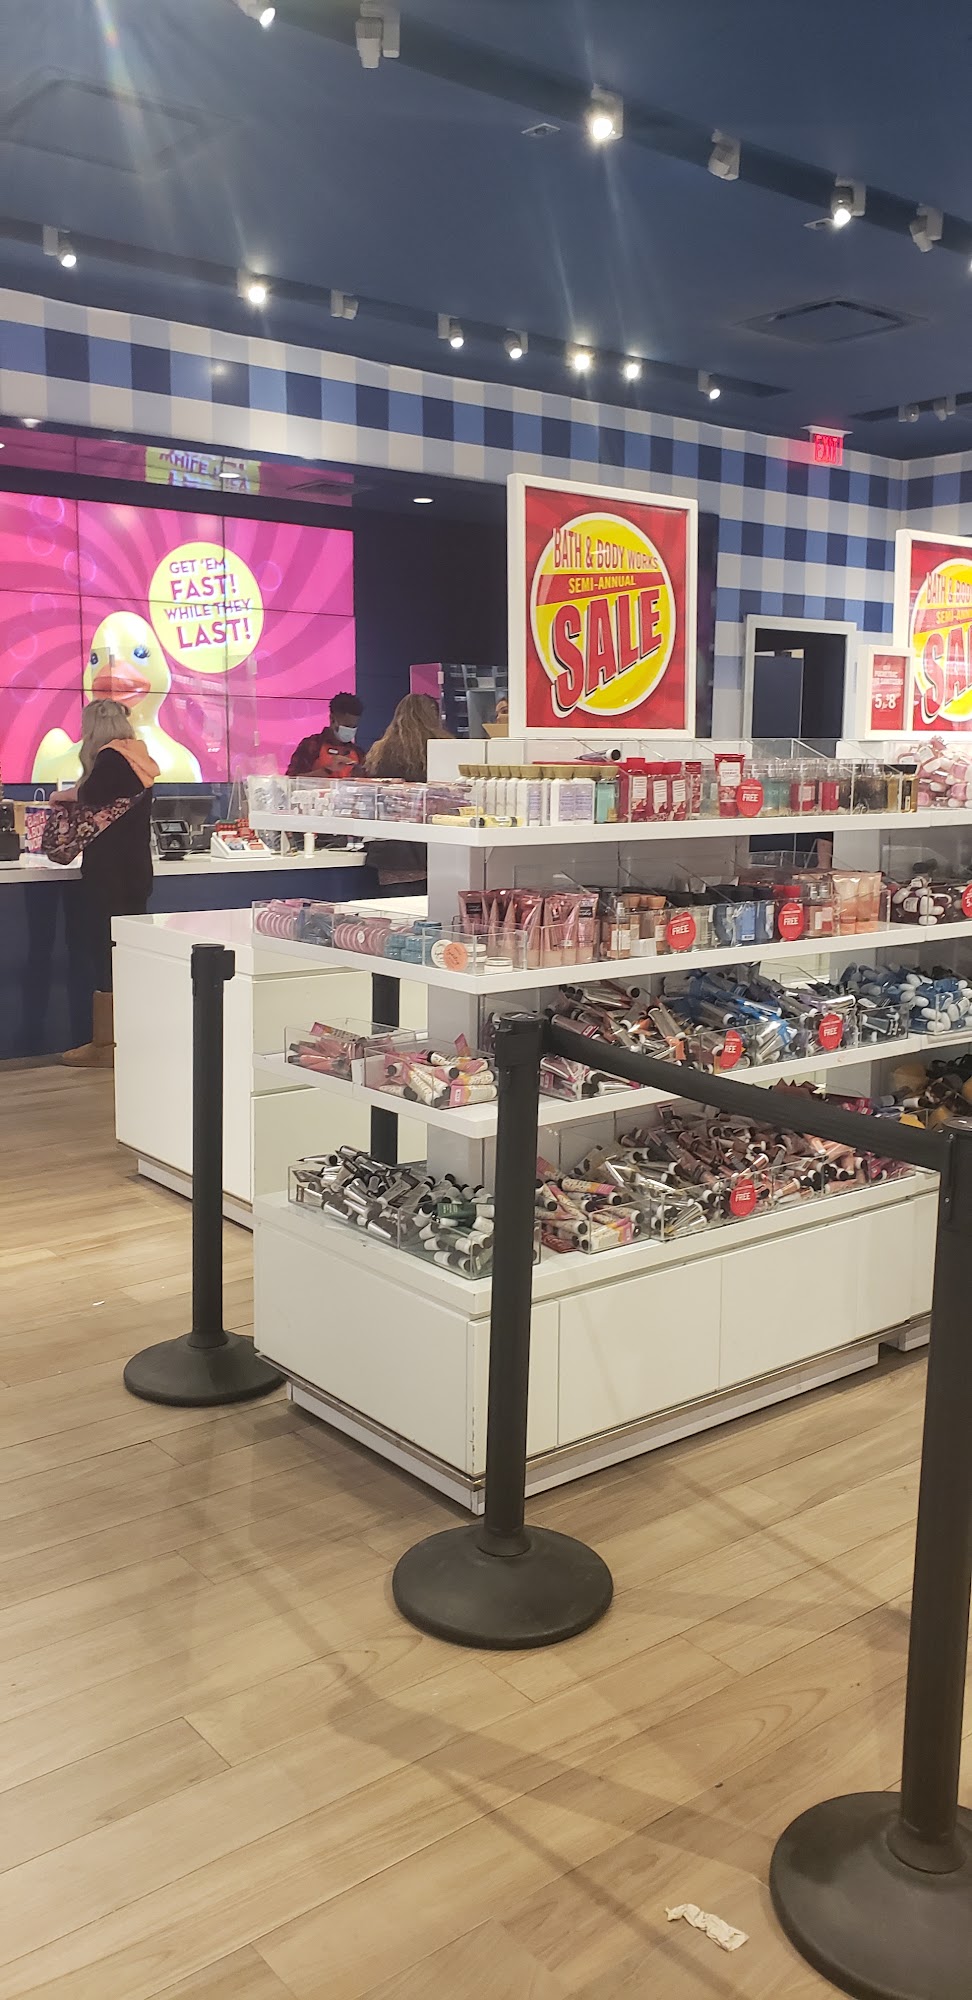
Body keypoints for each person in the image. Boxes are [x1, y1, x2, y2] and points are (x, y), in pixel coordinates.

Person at [61, 699, 159, 1067]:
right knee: (128, 954)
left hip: (108, 875)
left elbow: (90, 794)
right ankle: (130, 1039)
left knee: (106, 953)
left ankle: (106, 1044)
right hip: (135, 872)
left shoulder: (110, 759)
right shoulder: (138, 758)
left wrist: (61, 796)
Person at [363, 693, 451, 891]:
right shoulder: (444, 746)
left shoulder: (381, 750)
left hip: (391, 847)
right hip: (435, 844)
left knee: (397, 905)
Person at [287, 693, 364, 778]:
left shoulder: (358, 753)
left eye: (353, 726)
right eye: (347, 725)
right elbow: (291, 780)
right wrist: (327, 770)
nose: (350, 730)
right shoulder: (311, 746)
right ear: (332, 719)